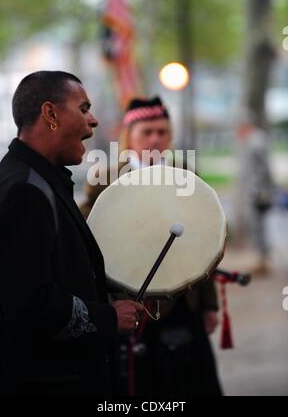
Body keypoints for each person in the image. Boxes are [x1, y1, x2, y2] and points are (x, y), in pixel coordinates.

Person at [0, 71, 143, 396]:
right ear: (51, 114)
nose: (94, 121)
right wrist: (108, 317)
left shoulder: (37, 179)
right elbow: (29, 306)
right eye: (84, 108)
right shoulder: (25, 191)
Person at [80, 96, 223, 396]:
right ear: (128, 135)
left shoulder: (186, 175)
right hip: (131, 301)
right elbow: (91, 244)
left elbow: (206, 243)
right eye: (147, 132)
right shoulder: (106, 179)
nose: (156, 139)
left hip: (185, 300)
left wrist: (208, 304)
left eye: (162, 132)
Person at [237, 123, 276, 276]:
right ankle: (263, 260)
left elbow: (264, 169)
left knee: (259, 227)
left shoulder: (255, 142)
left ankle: (264, 261)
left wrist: (262, 190)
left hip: (259, 193)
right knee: (258, 227)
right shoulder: (254, 141)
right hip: (258, 191)